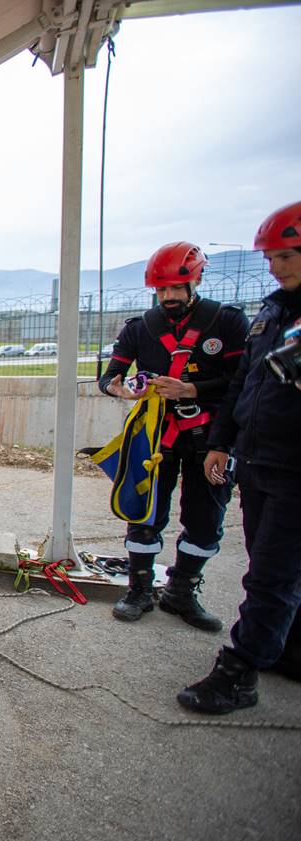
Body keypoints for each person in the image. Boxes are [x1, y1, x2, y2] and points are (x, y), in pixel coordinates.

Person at [179, 201, 301, 714]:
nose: (274, 265)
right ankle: (285, 650)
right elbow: (241, 387)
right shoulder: (271, 314)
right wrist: (221, 443)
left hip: (295, 467)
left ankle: (240, 672)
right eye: (272, 256)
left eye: (286, 255)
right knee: (271, 564)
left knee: (271, 574)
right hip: (255, 459)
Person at [98, 242, 249, 630]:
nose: (168, 297)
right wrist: (122, 388)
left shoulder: (227, 322)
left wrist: (192, 390)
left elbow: (243, 381)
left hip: (211, 435)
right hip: (157, 438)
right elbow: (110, 377)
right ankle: (140, 588)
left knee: (205, 518)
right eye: (161, 290)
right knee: (145, 512)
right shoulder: (141, 328)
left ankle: (182, 591)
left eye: (176, 289)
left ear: (195, 280)